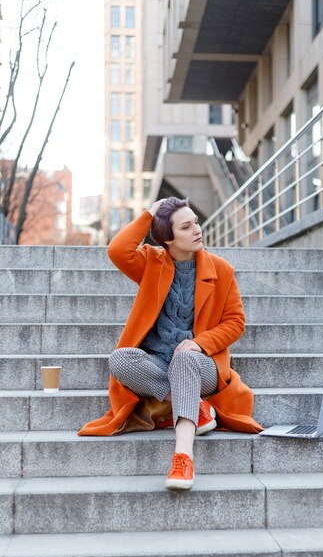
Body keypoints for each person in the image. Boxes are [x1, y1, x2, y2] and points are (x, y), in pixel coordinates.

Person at [77, 196, 263, 490]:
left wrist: (200, 343)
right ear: (168, 239)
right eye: (186, 227)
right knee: (120, 359)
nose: (197, 230)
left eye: (197, 223)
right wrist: (151, 212)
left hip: (203, 367)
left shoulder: (222, 270)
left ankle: (183, 457)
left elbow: (235, 323)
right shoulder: (151, 263)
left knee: (185, 359)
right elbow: (117, 250)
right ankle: (194, 407)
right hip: (159, 363)